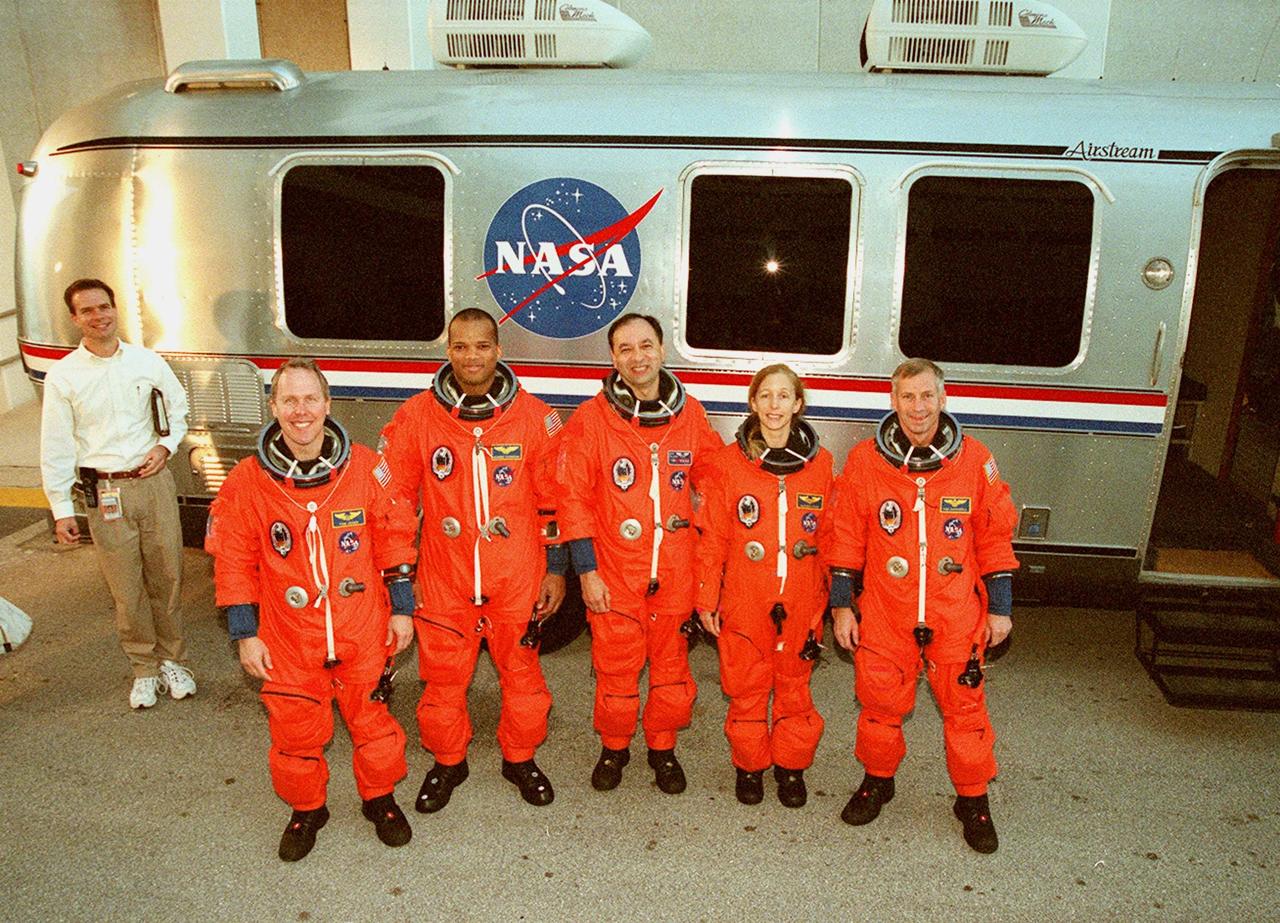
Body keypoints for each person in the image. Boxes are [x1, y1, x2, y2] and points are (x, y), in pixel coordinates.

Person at [206, 358, 419, 862]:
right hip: (287, 634)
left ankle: (380, 799)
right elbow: (233, 558)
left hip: (361, 626)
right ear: (274, 407)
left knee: (374, 723)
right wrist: (244, 632)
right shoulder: (247, 480)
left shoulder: (367, 465)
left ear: (328, 404)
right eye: (289, 400)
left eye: (310, 399)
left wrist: (403, 608)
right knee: (295, 732)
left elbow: (395, 536)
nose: (301, 411)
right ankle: (307, 809)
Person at [378, 309, 566, 813]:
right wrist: (402, 576)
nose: (471, 357)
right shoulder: (417, 417)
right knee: (441, 684)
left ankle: (520, 758)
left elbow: (556, 499)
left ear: (498, 350)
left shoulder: (534, 417)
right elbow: (394, 503)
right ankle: (447, 762)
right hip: (444, 578)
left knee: (523, 679)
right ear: (448, 352)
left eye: (482, 346)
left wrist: (557, 568)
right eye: (460, 347)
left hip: (517, 576)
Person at [828, 358, 1018, 854]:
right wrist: (842, 607)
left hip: (954, 614)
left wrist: (1000, 608)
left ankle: (973, 799)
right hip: (887, 613)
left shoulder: (975, 461)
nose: (917, 407)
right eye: (907, 397)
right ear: (893, 401)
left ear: (943, 399)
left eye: (927, 396)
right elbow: (846, 536)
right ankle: (878, 780)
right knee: (880, 706)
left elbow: (995, 538)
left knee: (966, 712)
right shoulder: (865, 462)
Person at [557, 313, 723, 795]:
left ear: (662, 350)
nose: (637, 357)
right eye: (625, 349)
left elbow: (713, 478)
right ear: (613, 357)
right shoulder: (592, 419)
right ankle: (614, 748)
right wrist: (585, 571)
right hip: (614, 570)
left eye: (645, 345)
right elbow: (573, 499)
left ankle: (663, 749)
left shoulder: (689, 413)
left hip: (674, 570)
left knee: (671, 671)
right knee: (615, 670)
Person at [40, 278, 195, 710]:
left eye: (105, 306)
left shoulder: (146, 362)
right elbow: (56, 444)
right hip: (105, 492)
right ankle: (144, 668)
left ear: (115, 309)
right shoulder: (64, 376)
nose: (99, 316)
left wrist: (165, 446)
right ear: (75, 319)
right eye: (87, 310)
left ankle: (174, 661)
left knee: (167, 577)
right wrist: (60, 509)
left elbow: (178, 407)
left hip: (153, 485)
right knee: (126, 590)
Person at [693, 364, 833, 808]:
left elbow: (831, 538)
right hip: (744, 597)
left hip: (801, 596)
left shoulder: (822, 464)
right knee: (747, 688)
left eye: (783, 396)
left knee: (794, 687)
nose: (774, 406)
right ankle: (749, 767)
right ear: (752, 403)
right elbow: (712, 537)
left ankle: (790, 769)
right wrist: (706, 597)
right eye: (766, 396)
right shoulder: (727, 465)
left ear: (798, 404)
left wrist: (831, 601)